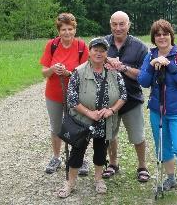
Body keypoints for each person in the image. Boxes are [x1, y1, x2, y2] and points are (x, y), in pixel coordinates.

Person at [138, 19, 177, 205]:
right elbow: (143, 81)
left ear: (171, 35)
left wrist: (169, 66)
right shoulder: (150, 56)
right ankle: (171, 178)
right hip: (158, 111)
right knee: (163, 148)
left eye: (165, 33)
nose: (162, 37)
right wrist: (152, 64)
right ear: (154, 38)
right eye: (158, 34)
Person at [57, 37, 127, 197]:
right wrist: (90, 113)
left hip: (104, 121)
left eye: (102, 50)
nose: (99, 53)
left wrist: (111, 110)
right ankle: (70, 183)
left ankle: (98, 179)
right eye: (96, 50)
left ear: (106, 53)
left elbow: (123, 95)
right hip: (82, 121)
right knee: (77, 151)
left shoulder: (114, 73)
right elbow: (72, 99)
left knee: (101, 151)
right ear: (89, 52)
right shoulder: (79, 72)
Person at [102, 11, 150, 182]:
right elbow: (92, 62)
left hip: (132, 99)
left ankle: (142, 166)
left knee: (138, 136)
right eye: (114, 24)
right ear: (110, 25)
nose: (118, 28)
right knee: (110, 135)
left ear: (129, 25)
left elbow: (144, 76)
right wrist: (106, 61)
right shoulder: (103, 43)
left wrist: (123, 67)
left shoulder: (139, 47)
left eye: (122, 24)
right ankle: (113, 164)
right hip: (108, 100)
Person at [40, 13, 89, 174]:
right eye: (63, 29)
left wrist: (68, 73)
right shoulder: (52, 45)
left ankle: (80, 158)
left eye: (70, 29)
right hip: (54, 94)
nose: (67, 32)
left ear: (75, 30)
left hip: (76, 94)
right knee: (55, 127)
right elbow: (44, 73)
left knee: (79, 126)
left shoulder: (82, 46)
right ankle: (56, 157)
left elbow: (85, 74)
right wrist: (53, 69)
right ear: (58, 31)